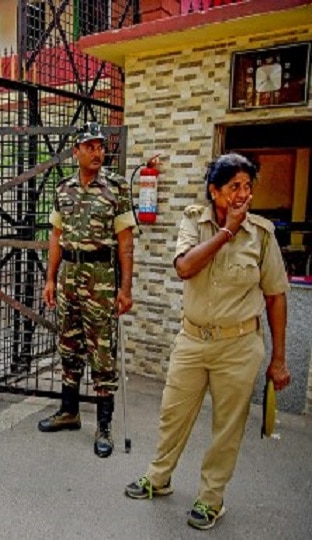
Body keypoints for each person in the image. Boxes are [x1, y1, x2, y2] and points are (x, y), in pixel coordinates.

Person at [124, 153, 291, 530]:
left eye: (248, 187)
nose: (242, 195)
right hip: (193, 339)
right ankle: (159, 476)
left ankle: (211, 498)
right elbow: (184, 267)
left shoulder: (262, 235)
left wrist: (278, 359)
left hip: (239, 346)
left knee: (227, 427)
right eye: (234, 187)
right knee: (172, 413)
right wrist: (226, 232)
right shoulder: (193, 221)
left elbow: (276, 296)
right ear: (214, 191)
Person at [37, 122, 135, 459]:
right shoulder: (63, 189)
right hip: (69, 275)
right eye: (90, 146)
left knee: (102, 350)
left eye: (101, 146)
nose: (97, 152)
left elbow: (125, 243)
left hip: (101, 280)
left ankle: (104, 424)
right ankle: (69, 411)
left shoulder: (117, 188)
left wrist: (125, 288)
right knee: (68, 343)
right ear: (76, 151)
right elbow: (54, 237)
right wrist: (51, 279)